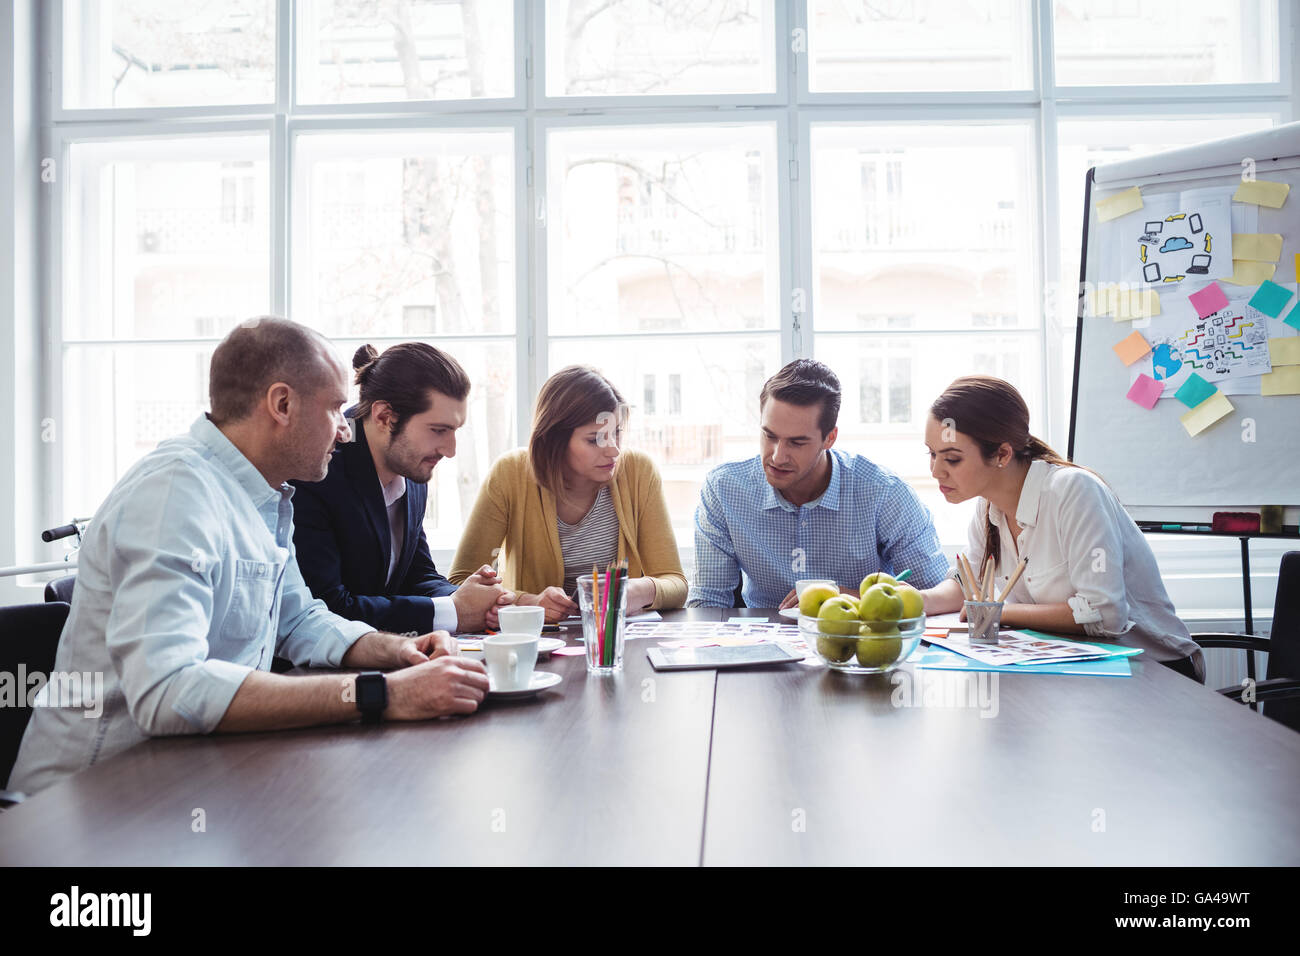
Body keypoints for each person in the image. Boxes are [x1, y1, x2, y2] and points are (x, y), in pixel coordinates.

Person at [9, 317, 490, 795]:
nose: (345, 433)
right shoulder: (175, 493)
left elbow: (298, 619)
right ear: (281, 404)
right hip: (90, 803)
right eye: (334, 410)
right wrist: (380, 694)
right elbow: (167, 693)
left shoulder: (265, 496)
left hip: (194, 779)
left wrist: (398, 651)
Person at [919, 375, 1205, 680]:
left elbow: (1104, 614)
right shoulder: (988, 505)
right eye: (932, 454)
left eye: (952, 458)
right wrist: (914, 601)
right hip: (1078, 671)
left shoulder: (1074, 492)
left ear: (1002, 454)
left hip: (1155, 671)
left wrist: (998, 613)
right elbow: (968, 586)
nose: (936, 471)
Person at [688, 359, 948, 609]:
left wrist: (851, 597)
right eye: (770, 436)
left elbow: (934, 594)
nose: (777, 456)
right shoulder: (724, 490)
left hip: (858, 640)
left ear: (829, 438)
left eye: (797, 442)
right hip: (761, 643)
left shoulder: (884, 494)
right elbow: (709, 603)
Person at [291, 342, 512, 635]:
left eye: (455, 430)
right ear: (384, 417)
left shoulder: (410, 464)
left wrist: (474, 599)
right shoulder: (318, 469)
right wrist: (452, 611)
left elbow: (415, 575)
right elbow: (326, 607)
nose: (450, 450)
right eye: (438, 430)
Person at [449, 365, 686, 622]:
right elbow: (460, 584)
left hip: (616, 642)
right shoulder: (509, 474)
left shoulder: (639, 471)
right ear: (555, 440)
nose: (614, 450)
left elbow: (676, 583)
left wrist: (639, 590)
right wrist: (528, 602)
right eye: (595, 439)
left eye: (616, 433)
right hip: (539, 643)